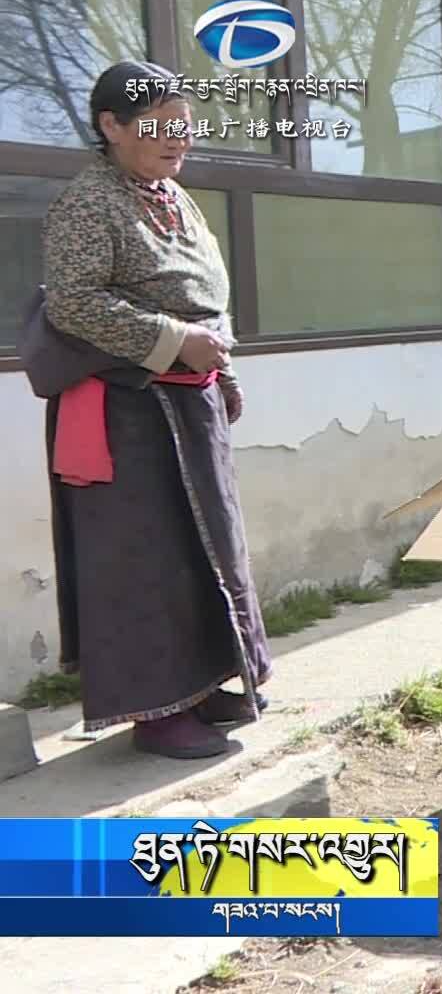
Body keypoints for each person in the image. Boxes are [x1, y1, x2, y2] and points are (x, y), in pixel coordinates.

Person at [28, 60, 270, 760]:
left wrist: (221, 366)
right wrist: (176, 341)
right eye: (159, 127)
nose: (177, 141)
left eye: (185, 128)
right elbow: (73, 303)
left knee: (204, 550)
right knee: (144, 559)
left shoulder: (173, 195)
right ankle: (157, 713)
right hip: (126, 412)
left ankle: (201, 686)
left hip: (187, 402)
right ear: (111, 125)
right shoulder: (88, 202)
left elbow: (203, 293)